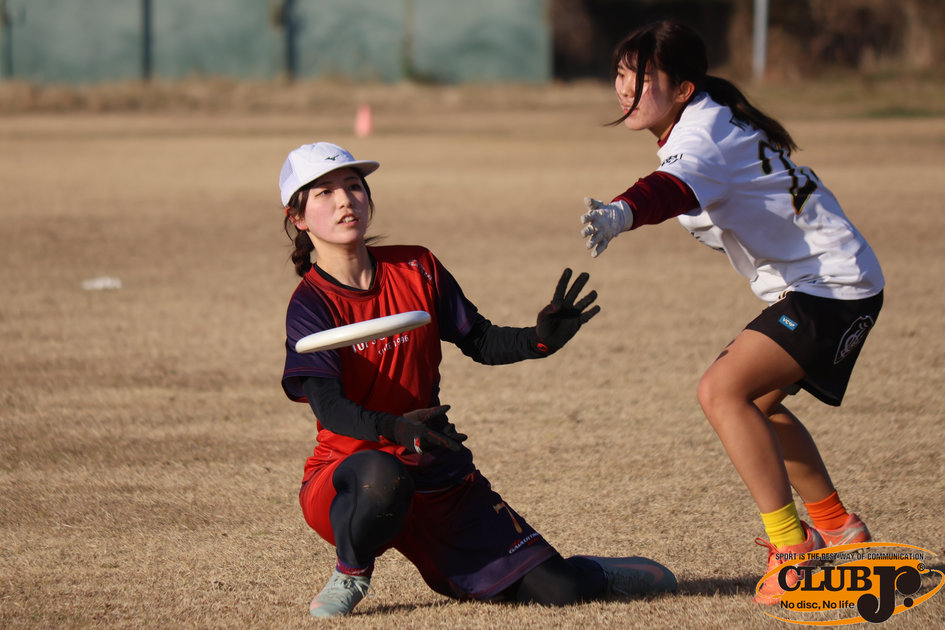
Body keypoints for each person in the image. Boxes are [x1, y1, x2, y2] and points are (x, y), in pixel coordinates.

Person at [278, 141, 677, 618]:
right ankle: (351, 571)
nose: (345, 200)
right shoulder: (309, 305)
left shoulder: (417, 266)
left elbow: (481, 340)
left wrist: (539, 339)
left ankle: (595, 572)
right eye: (324, 193)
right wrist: (395, 428)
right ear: (298, 217)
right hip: (349, 477)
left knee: (560, 590)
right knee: (381, 475)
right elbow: (329, 409)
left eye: (353, 186)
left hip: (431, 457)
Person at [579, 20, 884, 606]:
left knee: (721, 393)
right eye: (621, 73)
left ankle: (793, 552)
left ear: (683, 89)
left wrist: (622, 211)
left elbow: (670, 188)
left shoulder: (702, 134)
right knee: (756, 407)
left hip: (833, 285)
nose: (627, 88)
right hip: (829, 282)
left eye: (643, 77)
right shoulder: (709, 115)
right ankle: (838, 527)